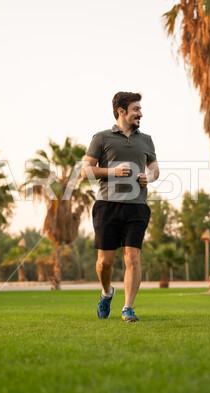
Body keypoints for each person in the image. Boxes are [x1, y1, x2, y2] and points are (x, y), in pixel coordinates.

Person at [81, 91, 159, 322]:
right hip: (107, 206)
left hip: (137, 206)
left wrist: (149, 178)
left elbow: (154, 169)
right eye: (136, 109)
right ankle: (107, 294)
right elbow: (85, 171)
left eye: (140, 109)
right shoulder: (102, 138)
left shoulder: (146, 140)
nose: (140, 114)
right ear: (121, 111)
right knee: (105, 262)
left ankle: (128, 308)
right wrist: (112, 171)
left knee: (132, 258)